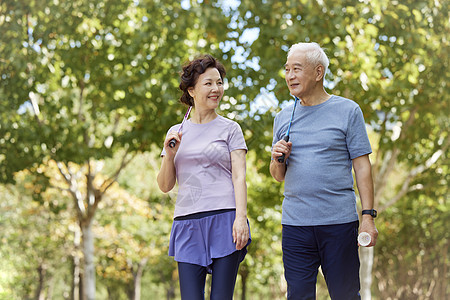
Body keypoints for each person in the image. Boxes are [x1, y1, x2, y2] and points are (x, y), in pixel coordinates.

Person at [270, 42, 378, 299]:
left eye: (297, 69)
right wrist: (277, 159)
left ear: (318, 72)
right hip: (295, 225)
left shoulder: (348, 110)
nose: (290, 76)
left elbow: (362, 166)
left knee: (345, 295)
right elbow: (277, 175)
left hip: (338, 223)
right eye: (287, 69)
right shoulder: (283, 117)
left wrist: (368, 216)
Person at [157, 54, 251, 300]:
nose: (216, 89)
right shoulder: (175, 132)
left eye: (219, 83)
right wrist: (169, 154)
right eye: (208, 83)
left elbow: (239, 177)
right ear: (191, 90)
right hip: (187, 223)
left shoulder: (231, 129)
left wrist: (240, 218)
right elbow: (165, 185)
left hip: (225, 219)